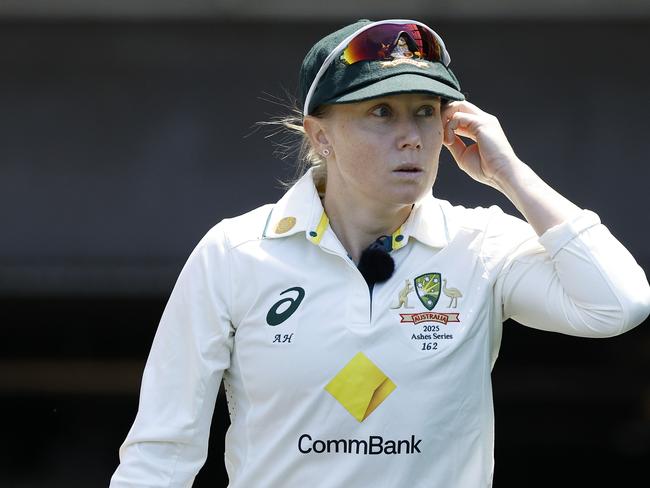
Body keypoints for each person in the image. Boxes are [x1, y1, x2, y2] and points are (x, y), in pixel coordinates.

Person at [110, 18, 650, 487]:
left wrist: (511, 175)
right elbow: (161, 452)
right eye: (382, 112)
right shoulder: (235, 252)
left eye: (425, 112)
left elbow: (617, 304)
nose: (411, 136)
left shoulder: (481, 245)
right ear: (320, 136)